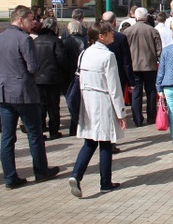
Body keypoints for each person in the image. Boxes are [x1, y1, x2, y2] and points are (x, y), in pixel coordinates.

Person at [0, 5, 60, 189]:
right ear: (20, 20)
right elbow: (33, 67)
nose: (34, 23)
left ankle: (10, 177)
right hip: (23, 93)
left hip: (2, 92)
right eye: (30, 20)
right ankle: (40, 171)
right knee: (34, 133)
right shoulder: (24, 39)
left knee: (7, 136)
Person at [68, 22, 127, 197]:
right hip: (103, 101)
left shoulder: (84, 54)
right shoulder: (107, 56)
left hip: (87, 101)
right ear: (101, 36)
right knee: (106, 142)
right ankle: (105, 182)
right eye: (109, 32)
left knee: (90, 141)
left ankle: (76, 175)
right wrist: (120, 112)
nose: (113, 34)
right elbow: (114, 87)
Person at [122, 8, 161, 127]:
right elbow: (159, 50)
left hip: (134, 66)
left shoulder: (128, 31)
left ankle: (137, 119)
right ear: (146, 17)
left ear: (136, 17)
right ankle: (151, 117)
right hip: (150, 66)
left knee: (136, 93)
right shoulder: (153, 31)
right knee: (151, 91)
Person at [33, 16, 67, 139]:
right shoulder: (56, 41)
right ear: (54, 27)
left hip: (37, 78)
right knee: (53, 106)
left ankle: (41, 129)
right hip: (53, 78)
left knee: (40, 105)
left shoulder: (35, 41)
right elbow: (62, 60)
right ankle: (53, 130)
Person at [62, 20, 86, 137]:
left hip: (68, 76)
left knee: (71, 101)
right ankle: (79, 125)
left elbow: (62, 60)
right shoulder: (86, 41)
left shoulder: (65, 43)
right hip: (82, 74)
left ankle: (74, 127)